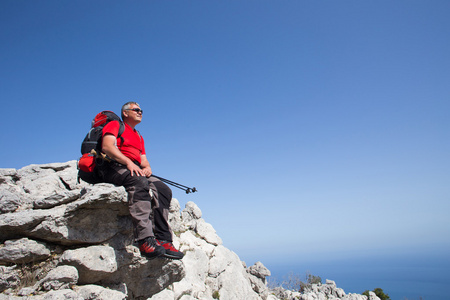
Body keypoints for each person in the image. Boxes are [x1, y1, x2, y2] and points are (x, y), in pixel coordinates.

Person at [98, 101, 183, 260]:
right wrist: (128, 162)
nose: (140, 112)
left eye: (141, 110)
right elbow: (107, 147)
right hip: (112, 166)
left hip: (134, 167)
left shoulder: (138, 136)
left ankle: (164, 239)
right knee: (139, 182)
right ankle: (145, 240)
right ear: (125, 113)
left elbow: (143, 159)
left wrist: (147, 167)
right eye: (136, 110)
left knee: (164, 190)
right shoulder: (115, 125)